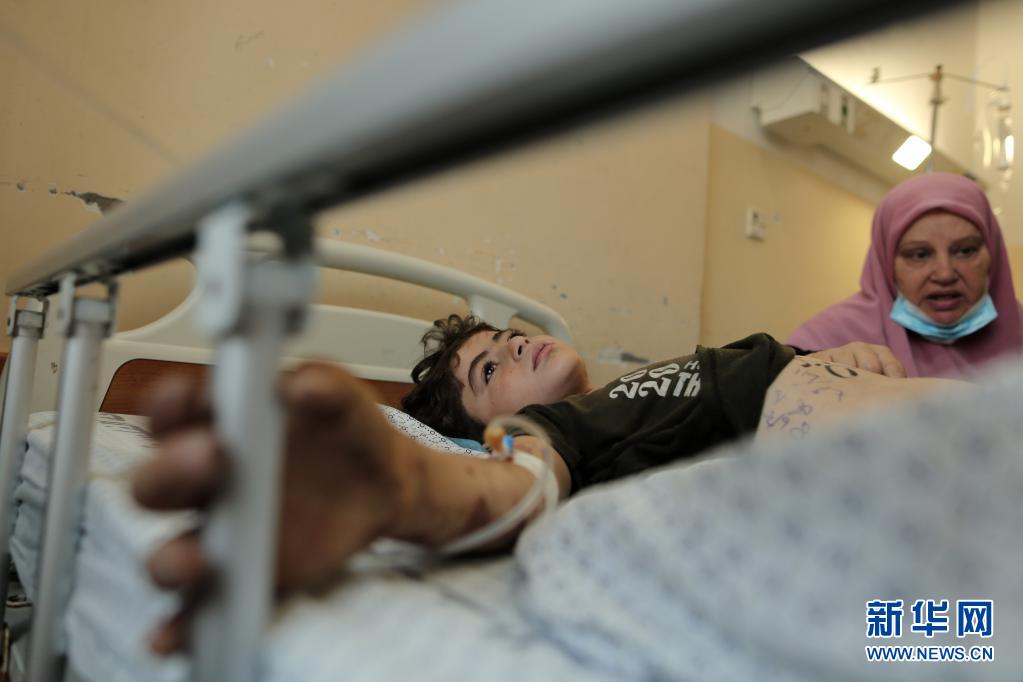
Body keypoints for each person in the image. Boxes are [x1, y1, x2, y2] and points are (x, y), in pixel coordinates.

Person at [132, 317, 961, 653]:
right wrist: (404, 487)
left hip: (901, 454)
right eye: (488, 371)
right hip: (883, 513)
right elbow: (522, 478)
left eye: (505, 335)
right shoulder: (557, 433)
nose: (512, 346)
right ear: (480, 430)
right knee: (959, 635)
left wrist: (845, 362)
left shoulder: (645, 389)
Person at [788, 172, 1023, 379]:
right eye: (919, 254)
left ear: (993, 254)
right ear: (886, 264)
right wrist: (816, 370)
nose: (945, 274)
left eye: (965, 251)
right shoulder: (831, 337)